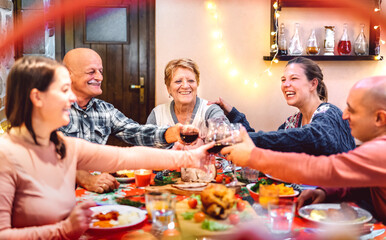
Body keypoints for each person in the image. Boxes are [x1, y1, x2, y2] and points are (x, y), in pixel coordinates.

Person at [0, 56, 214, 238]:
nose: (72, 97)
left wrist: (190, 158)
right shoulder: (5, 155)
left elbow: (126, 158)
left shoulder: (62, 145)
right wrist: (63, 230)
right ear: (37, 97)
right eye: (64, 90)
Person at [222, 76, 386, 223]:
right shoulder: (293, 120)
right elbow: (355, 179)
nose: (344, 115)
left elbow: (324, 168)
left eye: (352, 110)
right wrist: (325, 192)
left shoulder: (380, 151)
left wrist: (253, 155)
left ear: (380, 118)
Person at [59, 48, 181, 193]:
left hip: (96, 193)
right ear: (68, 74)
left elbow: (135, 132)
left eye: (101, 71)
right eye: (91, 72)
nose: (100, 77)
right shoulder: (53, 108)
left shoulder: (105, 110)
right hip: (57, 195)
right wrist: (83, 177)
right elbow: (47, 153)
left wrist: (172, 133)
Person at [210, 57, 355, 156]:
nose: (286, 84)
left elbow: (311, 137)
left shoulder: (330, 114)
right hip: (305, 195)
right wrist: (232, 114)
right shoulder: (293, 122)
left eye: (294, 78)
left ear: (313, 84)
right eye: (283, 80)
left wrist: (238, 137)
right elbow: (266, 146)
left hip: (337, 199)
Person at [146, 58, 229, 181]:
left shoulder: (210, 110)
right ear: (168, 88)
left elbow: (226, 136)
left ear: (197, 85)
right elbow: (146, 154)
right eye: (178, 81)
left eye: (191, 80)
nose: (185, 85)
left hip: (207, 180)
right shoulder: (157, 114)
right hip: (167, 183)